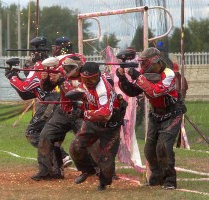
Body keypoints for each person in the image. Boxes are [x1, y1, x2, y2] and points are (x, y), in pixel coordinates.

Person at [116, 47, 187, 190]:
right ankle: (156, 178)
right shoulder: (144, 75)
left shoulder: (169, 74)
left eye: (145, 63)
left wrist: (137, 76)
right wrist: (122, 78)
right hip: (155, 114)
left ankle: (170, 181)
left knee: (163, 147)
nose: (143, 67)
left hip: (172, 114)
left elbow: (155, 92)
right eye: (141, 64)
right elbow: (133, 91)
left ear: (156, 62)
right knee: (149, 149)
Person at [4, 40, 72, 168]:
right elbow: (26, 94)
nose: (27, 71)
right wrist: (14, 78)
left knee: (33, 132)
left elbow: (25, 87)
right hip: (56, 102)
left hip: (52, 102)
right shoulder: (45, 66)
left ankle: (61, 157)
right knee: (52, 134)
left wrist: (13, 78)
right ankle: (58, 163)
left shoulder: (42, 66)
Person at [30, 54, 98, 181]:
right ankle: (46, 171)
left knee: (91, 141)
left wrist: (62, 81)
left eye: (70, 67)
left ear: (79, 67)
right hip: (63, 112)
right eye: (66, 67)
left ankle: (101, 170)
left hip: (81, 113)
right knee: (45, 136)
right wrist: (47, 80)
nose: (65, 70)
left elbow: (76, 94)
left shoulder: (87, 77)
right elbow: (46, 88)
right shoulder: (62, 71)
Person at [69, 62, 127, 190]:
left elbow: (105, 114)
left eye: (93, 79)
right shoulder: (85, 81)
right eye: (85, 79)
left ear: (99, 76)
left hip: (110, 127)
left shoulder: (102, 90)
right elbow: (70, 74)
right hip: (92, 123)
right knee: (75, 147)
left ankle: (103, 182)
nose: (89, 82)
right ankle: (87, 170)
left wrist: (83, 113)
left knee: (106, 161)